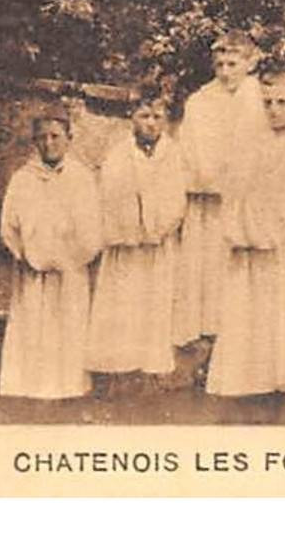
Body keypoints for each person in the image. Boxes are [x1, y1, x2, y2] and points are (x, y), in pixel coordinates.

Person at [206, 69, 285, 398]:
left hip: (283, 244)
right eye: (268, 102)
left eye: (282, 102)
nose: (274, 109)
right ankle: (244, 376)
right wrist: (239, 227)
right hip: (248, 242)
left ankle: (282, 377)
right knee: (245, 307)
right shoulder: (250, 142)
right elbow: (232, 188)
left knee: (283, 306)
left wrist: (277, 228)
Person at [0, 105, 103, 399]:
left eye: (56, 136)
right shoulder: (22, 179)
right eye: (42, 138)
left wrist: (70, 259)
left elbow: (92, 227)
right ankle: (28, 385)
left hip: (69, 271)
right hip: (32, 272)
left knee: (67, 325)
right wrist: (25, 256)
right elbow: (9, 225)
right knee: (32, 325)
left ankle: (68, 385)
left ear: (69, 138)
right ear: (35, 142)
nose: (49, 143)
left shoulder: (81, 179)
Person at [84, 91, 188, 381]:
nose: (151, 124)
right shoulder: (118, 155)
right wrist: (129, 228)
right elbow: (110, 195)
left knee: (155, 300)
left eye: (157, 117)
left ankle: (152, 364)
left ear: (166, 120)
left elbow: (176, 198)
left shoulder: (174, 154)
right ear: (132, 117)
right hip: (126, 243)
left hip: (157, 243)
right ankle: (119, 363)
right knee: (124, 300)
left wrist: (157, 228)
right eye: (144, 116)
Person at [174, 30, 268, 347]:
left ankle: (241, 330)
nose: (226, 72)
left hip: (246, 196)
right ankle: (207, 331)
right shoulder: (200, 101)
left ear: (249, 63)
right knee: (207, 260)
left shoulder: (260, 98)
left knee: (241, 262)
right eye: (221, 65)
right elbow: (190, 148)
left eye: (233, 64)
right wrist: (207, 177)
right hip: (208, 197)